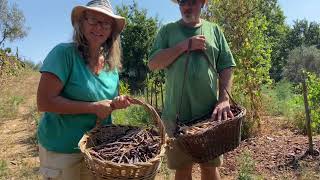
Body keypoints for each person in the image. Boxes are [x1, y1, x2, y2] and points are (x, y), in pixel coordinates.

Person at [36, 0, 131, 179]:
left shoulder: (111, 66)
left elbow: (107, 102)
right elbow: (44, 102)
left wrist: (116, 103)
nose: (99, 27)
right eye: (93, 20)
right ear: (82, 23)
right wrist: (93, 107)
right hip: (62, 149)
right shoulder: (63, 54)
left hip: (97, 149)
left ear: (111, 30)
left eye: (106, 23)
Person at [148, 0, 236, 179]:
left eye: (192, 1)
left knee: (210, 167)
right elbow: (153, 63)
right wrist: (184, 46)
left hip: (210, 116)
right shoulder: (167, 31)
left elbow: (226, 66)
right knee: (182, 169)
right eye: (182, 2)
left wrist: (224, 99)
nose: (186, 6)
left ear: (203, 3)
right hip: (176, 116)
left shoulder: (214, 30)